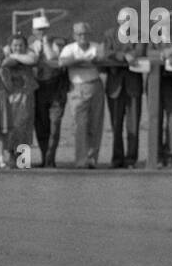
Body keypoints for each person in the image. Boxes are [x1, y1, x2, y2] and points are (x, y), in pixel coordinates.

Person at [59, 21, 105, 168]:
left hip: (95, 85)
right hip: (77, 88)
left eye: (85, 33)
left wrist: (87, 61)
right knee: (80, 125)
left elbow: (102, 59)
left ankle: (92, 159)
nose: (82, 36)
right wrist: (82, 60)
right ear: (74, 35)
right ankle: (81, 161)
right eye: (79, 34)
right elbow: (62, 62)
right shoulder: (69, 48)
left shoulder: (96, 46)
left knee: (95, 124)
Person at [100, 29, 142, 168]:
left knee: (134, 125)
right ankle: (117, 158)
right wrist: (123, 55)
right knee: (115, 125)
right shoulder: (109, 35)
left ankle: (131, 159)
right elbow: (106, 53)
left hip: (133, 85)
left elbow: (140, 51)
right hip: (115, 85)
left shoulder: (139, 34)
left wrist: (128, 55)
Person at [31, 29, 67, 168]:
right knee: (40, 126)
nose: (42, 32)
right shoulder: (30, 45)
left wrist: (46, 44)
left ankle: (50, 159)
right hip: (37, 89)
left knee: (54, 125)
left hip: (56, 88)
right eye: (38, 30)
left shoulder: (58, 44)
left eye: (44, 29)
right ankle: (37, 159)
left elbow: (56, 61)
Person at [2, 32, 37, 165]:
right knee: (12, 125)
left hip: (26, 95)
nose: (18, 48)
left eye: (21, 45)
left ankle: (24, 160)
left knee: (25, 126)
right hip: (11, 95)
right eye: (15, 45)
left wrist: (15, 55)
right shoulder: (7, 57)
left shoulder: (29, 55)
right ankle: (11, 156)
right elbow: (5, 62)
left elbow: (32, 60)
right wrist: (13, 55)